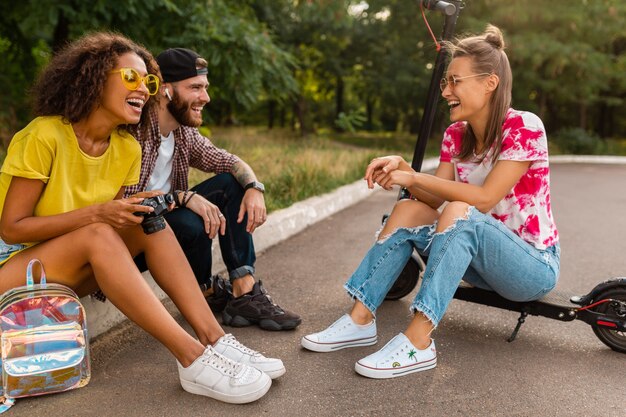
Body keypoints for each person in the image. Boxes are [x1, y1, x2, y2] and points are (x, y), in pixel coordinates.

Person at [0, 32, 285, 404]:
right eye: (130, 78)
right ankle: (191, 357)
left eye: (148, 81)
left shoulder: (125, 147)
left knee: (146, 220)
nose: (144, 89)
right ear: (95, 79)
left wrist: (136, 209)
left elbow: (117, 225)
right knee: (98, 232)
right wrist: (100, 214)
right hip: (15, 268)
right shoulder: (44, 135)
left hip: (69, 269)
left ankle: (216, 340)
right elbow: (11, 227)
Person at [301, 25, 560, 379]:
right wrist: (403, 169)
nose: (446, 91)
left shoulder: (524, 127)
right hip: (478, 261)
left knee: (461, 212)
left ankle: (419, 342)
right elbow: (435, 196)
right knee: (409, 208)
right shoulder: (456, 134)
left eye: (455, 81)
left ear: (490, 83)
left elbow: (484, 199)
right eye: (445, 82)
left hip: (530, 266)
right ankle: (360, 319)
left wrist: (415, 177)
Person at [125, 47, 301, 331]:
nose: (205, 97)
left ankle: (243, 290)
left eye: (205, 87)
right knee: (189, 220)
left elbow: (227, 161)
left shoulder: (183, 133)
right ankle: (205, 290)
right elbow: (123, 203)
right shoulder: (133, 130)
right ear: (165, 90)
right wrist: (184, 197)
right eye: (195, 87)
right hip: (133, 239)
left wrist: (254, 187)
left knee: (232, 184)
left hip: (168, 221)